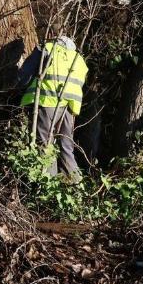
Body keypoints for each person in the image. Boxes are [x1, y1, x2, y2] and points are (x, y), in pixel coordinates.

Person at [18, 35, 88, 182]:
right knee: (66, 147)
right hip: (69, 108)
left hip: (47, 102)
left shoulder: (46, 48)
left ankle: (48, 186)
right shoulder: (77, 58)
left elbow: (24, 75)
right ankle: (76, 186)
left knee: (45, 146)